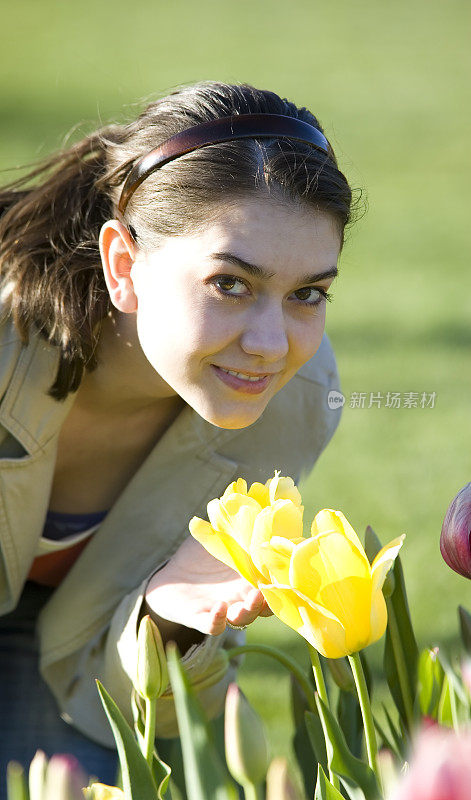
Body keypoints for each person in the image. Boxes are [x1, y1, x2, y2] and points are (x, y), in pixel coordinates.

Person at [0, 81, 357, 791]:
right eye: (230, 283)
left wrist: (168, 622)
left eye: (306, 294)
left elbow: (132, 703)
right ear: (123, 266)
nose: (269, 344)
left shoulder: (295, 400)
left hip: (68, 650)